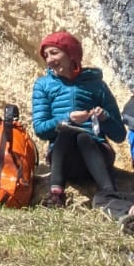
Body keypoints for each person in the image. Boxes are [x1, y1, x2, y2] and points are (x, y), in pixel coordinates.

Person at [32, 30, 134, 226]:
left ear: (71, 54)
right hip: (65, 159)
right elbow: (40, 128)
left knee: (84, 137)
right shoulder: (43, 85)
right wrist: (66, 118)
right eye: (46, 55)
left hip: (96, 154)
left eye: (54, 53)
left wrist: (104, 118)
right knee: (68, 131)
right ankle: (56, 192)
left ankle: (108, 193)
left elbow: (119, 134)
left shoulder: (96, 85)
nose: (49, 60)